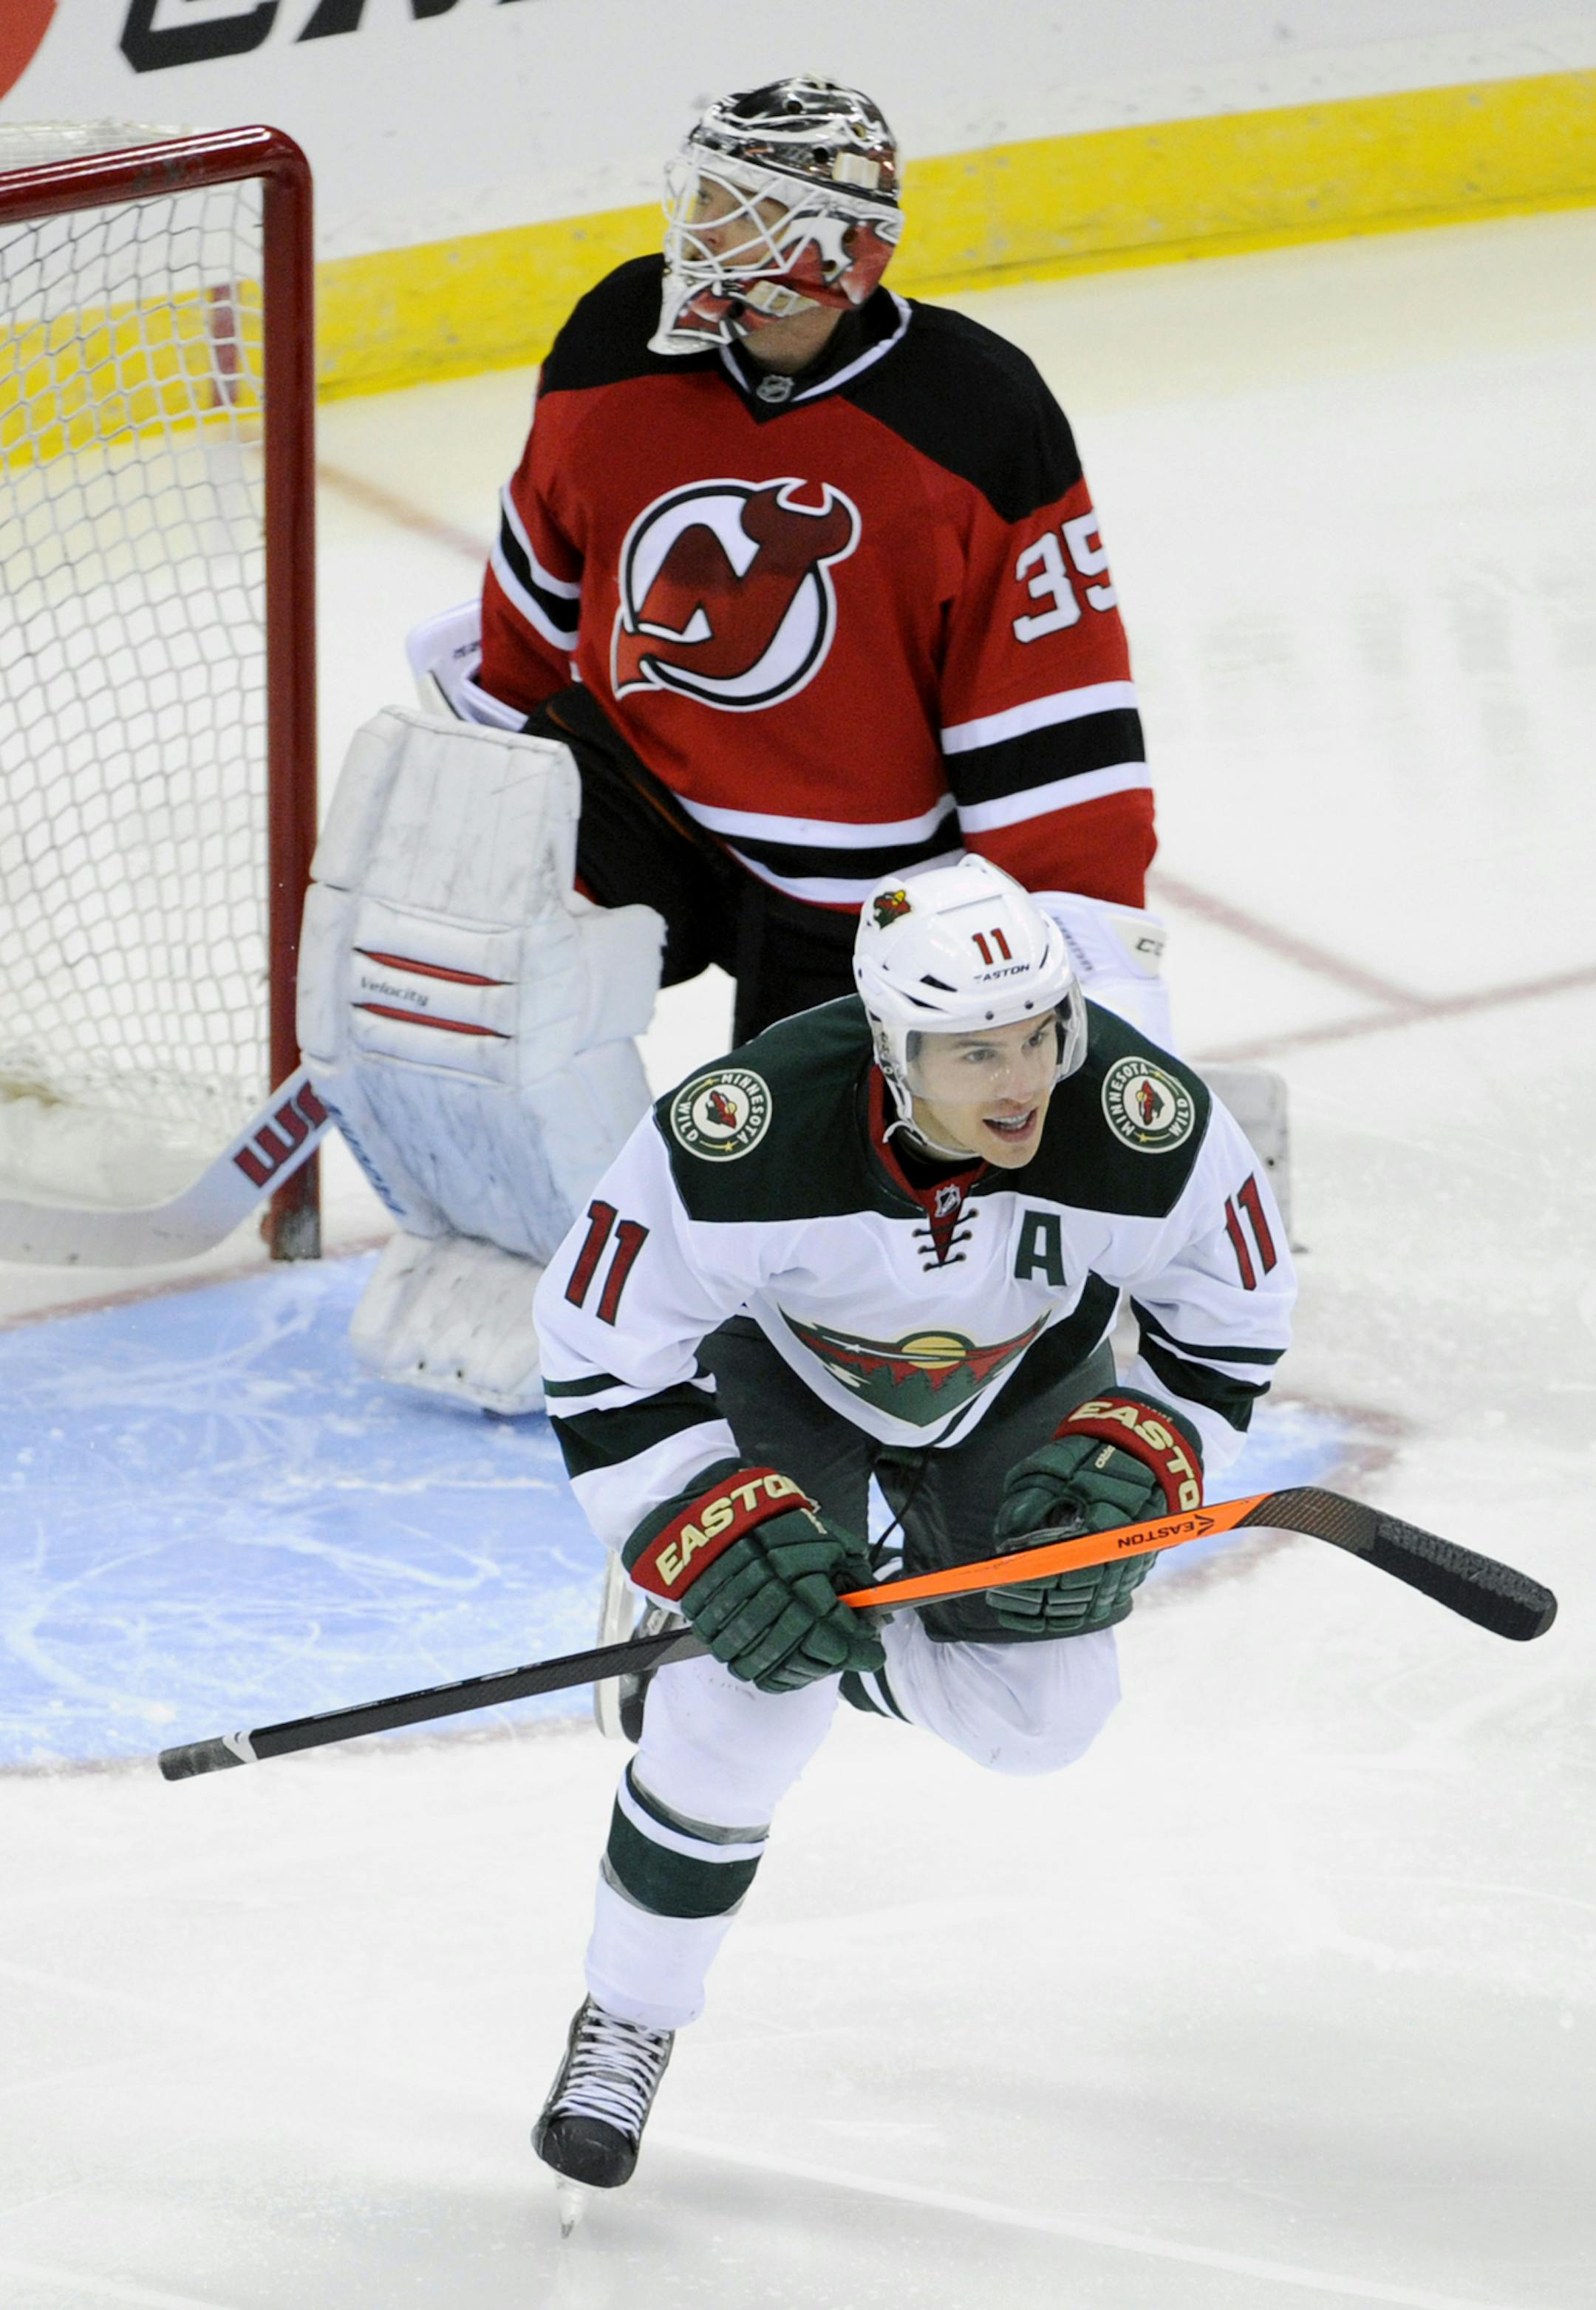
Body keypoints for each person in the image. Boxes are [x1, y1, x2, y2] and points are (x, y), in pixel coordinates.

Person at [528, 856, 1295, 2193]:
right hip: (777, 1372)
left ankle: (841, 1644)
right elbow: (598, 1349)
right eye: (972, 1049)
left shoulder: (1136, 1116)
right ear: (891, 1041)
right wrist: (701, 1526)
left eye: (1044, 1034)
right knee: (743, 1720)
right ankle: (629, 2018)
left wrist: (1149, 1444)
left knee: (1049, 1717)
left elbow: (1229, 1319)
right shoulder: (751, 1127)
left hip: (1020, 1378)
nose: (1020, 1080)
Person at [463, 72, 1168, 1049]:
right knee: (477, 949)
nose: (692, 228)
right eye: (697, 195)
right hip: (636, 801)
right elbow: (539, 583)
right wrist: (482, 784)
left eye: (726, 206)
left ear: (826, 246)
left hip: (858, 883)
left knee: (831, 1165)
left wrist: (1091, 962)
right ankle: (537, 1198)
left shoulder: (975, 416)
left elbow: (1049, 715)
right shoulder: (616, 339)